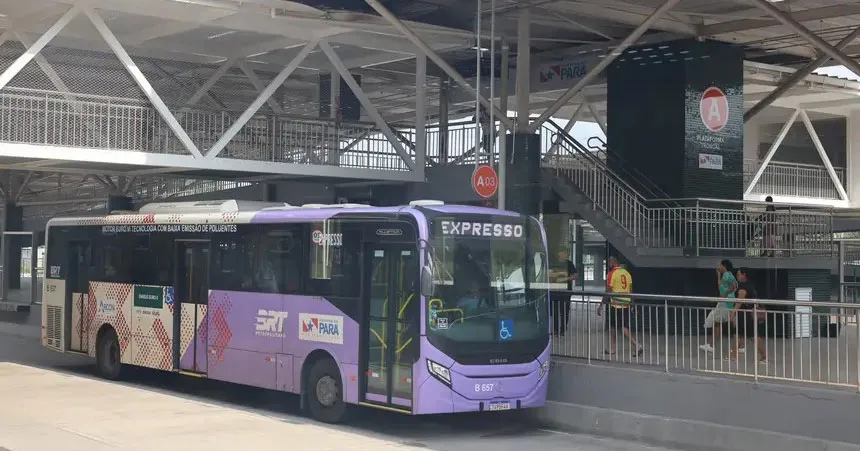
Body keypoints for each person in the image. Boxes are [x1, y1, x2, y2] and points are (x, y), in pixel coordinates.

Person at [597, 256, 641, 355]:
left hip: (616, 305)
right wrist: (632, 303)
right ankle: (612, 348)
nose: (608, 265)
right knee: (614, 326)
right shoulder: (627, 273)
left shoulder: (611, 274)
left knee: (621, 327)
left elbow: (608, 291)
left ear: (612, 263)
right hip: (625, 304)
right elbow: (630, 290)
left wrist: (601, 305)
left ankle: (637, 345)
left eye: (609, 262)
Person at [700, 259, 738, 354]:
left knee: (719, 322)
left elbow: (733, 286)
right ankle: (713, 345)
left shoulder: (727, 275)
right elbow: (721, 286)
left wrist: (726, 294)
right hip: (726, 301)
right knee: (722, 322)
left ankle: (712, 345)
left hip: (725, 302)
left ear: (724, 266)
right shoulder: (727, 275)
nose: (718, 266)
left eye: (720, 265)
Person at [734, 268, 767, 363]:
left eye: (738, 274)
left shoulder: (743, 287)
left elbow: (739, 301)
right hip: (748, 314)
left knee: (751, 336)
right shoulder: (750, 285)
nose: (737, 276)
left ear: (744, 275)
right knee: (741, 335)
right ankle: (733, 354)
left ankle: (764, 356)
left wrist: (733, 312)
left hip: (746, 315)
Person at [550, 250, 578, 336]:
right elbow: (549, 274)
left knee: (564, 311)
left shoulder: (569, 264)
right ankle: (555, 330)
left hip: (565, 292)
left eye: (566, 254)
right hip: (554, 291)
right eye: (563, 253)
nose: (565, 255)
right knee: (555, 311)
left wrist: (565, 279)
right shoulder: (554, 263)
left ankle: (562, 330)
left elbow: (575, 275)